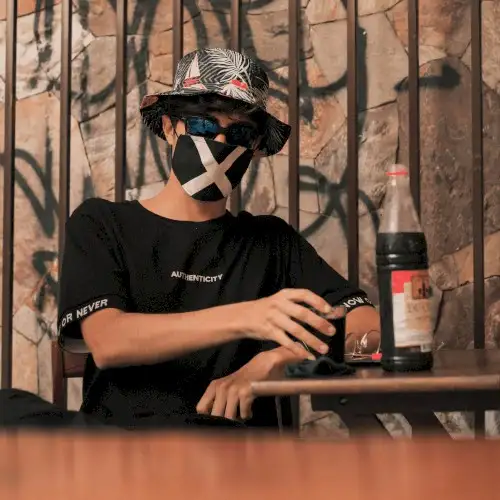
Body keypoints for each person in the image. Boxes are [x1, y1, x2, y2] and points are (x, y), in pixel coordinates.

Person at [0, 48, 380, 431]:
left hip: (232, 449)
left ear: (253, 148)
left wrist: (278, 360)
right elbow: (109, 342)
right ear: (170, 128)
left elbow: (370, 331)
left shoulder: (270, 242)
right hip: (121, 450)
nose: (220, 141)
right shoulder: (103, 223)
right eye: (202, 126)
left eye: (240, 133)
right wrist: (248, 317)